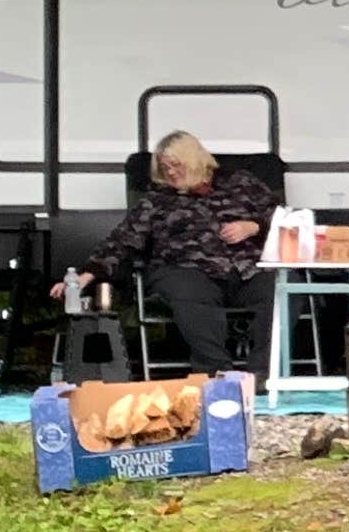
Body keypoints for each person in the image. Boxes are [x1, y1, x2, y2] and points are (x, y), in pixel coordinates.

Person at [99, 131, 278, 373]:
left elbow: (285, 220)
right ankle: (216, 373)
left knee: (282, 287)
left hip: (248, 269)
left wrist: (255, 227)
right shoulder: (157, 199)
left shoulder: (241, 183)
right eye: (165, 168)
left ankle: (264, 373)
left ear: (194, 160)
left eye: (176, 165)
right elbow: (124, 238)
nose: (170, 173)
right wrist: (89, 272)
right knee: (189, 290)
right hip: (186, 269)